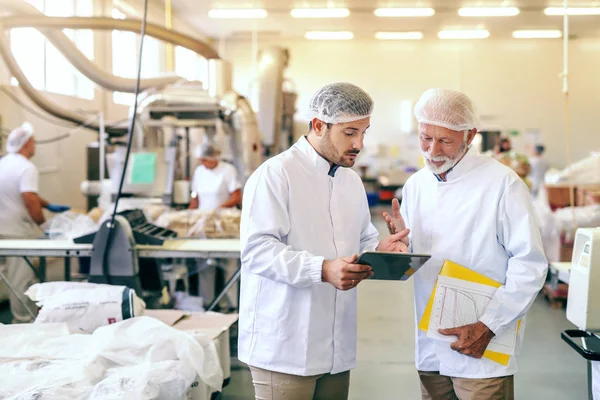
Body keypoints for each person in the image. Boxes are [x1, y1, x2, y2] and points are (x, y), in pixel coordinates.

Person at [239, 82, 409, 400]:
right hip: (285, 347)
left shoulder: (350, 180)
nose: (359, 143)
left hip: (335, 347)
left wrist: (382, 251)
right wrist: (322, 269)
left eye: (364, 132)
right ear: (319, 125)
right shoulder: (276, 175)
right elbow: (257, 250)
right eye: (350, 132)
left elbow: (362, 239)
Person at [384, 89, 548, 400]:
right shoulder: (417, 185)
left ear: (470, 135)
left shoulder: (502, 184)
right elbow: (415, 258)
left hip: (483, 342)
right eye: (425, 138)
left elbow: (530, 264)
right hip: (431, 346)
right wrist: (399, 253)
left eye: (445, 140)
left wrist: (489, 325)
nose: (433, 150)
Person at [0, 123, 70, 323]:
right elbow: (28, 197)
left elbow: (15, 192)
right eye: (33, 142)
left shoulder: (3, 162)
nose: (35, 146)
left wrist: (47, 204)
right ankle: (22, 321)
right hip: (16, 234)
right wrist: (44, 225)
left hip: (1, 230)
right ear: (26, 144)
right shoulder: (27, 167)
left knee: (4, 277)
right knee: (20, 280)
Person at [189, 142, 241, 211]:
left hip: (224, 216)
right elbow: (195, 197)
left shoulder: (228, 169)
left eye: (204, 160)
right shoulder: (199, 171)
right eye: (200, 160)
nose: (202, 163)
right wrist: (189, 213)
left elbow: (236, 198)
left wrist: (217, 210)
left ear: (212, 158)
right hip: (204, 216)